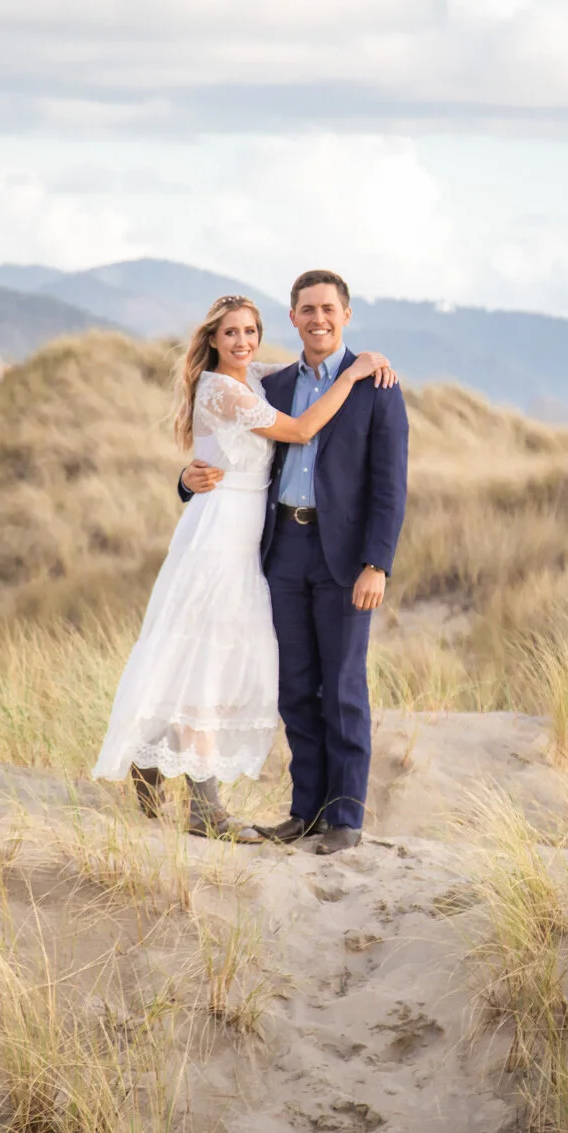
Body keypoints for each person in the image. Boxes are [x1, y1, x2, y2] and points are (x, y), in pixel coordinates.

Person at [91, 294, 394, 840]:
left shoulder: (257, 377)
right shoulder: (223, 388)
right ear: (211, 339)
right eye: (230, 333)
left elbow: (308, 366)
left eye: (250, 332)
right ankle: (204, 804)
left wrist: (354, 362)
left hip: (251, 540)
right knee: (206, 658)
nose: (242, 342)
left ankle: (152, 762)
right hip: (220, 537)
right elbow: (301, 431)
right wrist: (352, 378)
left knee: (215, 657)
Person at [180, 269, 408, 856]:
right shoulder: (272, 384)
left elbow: (390, 486)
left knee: (343, 689)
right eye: (307, 310)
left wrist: (377, 564)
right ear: (294, 319)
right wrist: (186, 482)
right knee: (296, 689)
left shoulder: (376, 386)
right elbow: (223, 443)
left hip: (344, 559)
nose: (318, 319)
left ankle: (345, 818)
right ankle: (305, 812)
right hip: (281, 552)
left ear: (346, 315)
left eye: (328, 309)